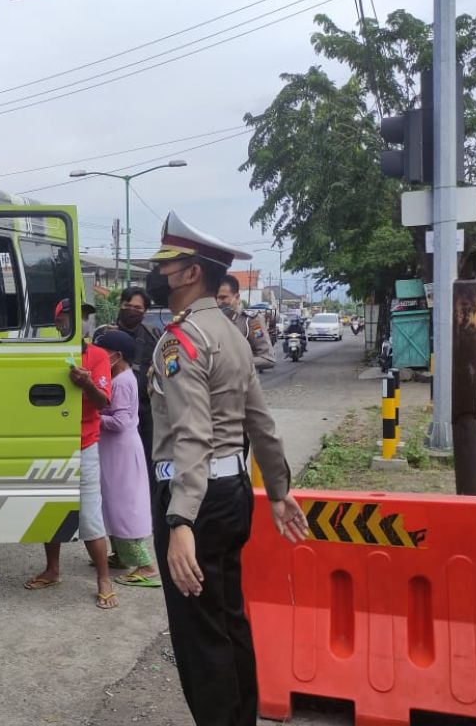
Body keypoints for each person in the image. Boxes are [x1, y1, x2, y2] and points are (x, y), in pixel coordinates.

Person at [144, 213, 308, 726]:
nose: (158, 276)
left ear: (191, 273)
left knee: (200, 636)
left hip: (192, 497)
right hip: (232, 490)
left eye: (166, 267)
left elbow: (191, 433)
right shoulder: (232, 334)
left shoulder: (182, 339)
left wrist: (181, 521)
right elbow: (261, 421)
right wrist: (278, 490)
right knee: (229, 619)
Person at [23, 300, 116, 610]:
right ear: (58, 322)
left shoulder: (98, 356)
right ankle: (52, 569)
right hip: (52, 441)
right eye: (71, 316)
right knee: (52, 510)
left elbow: (103, 402)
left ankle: (104, 578)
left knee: (90, 515)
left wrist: (87, 382)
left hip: (84, 443)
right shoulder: (45, 353)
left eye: (84, 316)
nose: (80, 321)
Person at [93, 329, 159, 588]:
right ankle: (121, 555)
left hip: (120, 450)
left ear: (117, 356)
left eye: (103, 352)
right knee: (112, 501)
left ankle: (146, 565)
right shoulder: (120, 376)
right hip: (114, 450)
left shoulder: (122, 381)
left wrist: (90, 420)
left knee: (123, 505)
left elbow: (120, 421)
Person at [112, 286, 160, 468]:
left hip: (145, 412)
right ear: (120, 305)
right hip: (114, 413)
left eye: (138, 308)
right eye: (128, 305)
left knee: (146, 464)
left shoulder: (153, 336)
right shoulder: (106, 334)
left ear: (145, 311)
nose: (132, 310)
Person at [215, 276, 274, 372]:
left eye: (223, 298)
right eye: (216, 298)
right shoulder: (212, 319)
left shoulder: (251, 321)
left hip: (242, 383)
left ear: (237, 297)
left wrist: (236, 363)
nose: (218, 302)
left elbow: (267, 359)